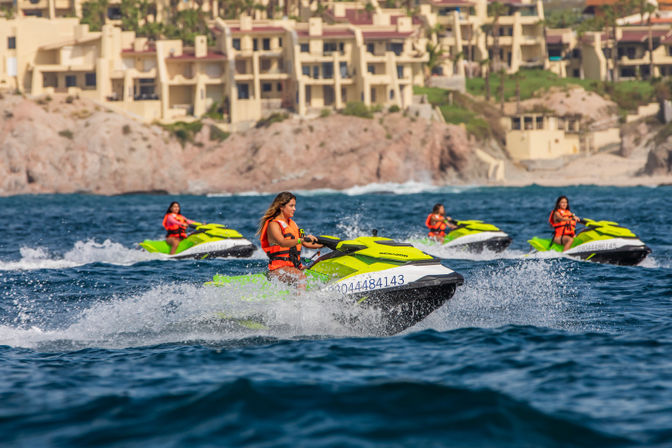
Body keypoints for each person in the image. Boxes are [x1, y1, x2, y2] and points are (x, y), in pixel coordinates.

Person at [257, 192, 323, 285]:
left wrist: (325, 244)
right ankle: (301, 299)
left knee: (321, 262)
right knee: (300, 276)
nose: (294, 209)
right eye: (291, 206)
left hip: (295, 267)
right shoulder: (273, 224)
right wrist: (302, 239)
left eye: (294, 206)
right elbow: (283, 242)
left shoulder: (294, 224)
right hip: (278, 269)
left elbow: (306, 243)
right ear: (281, 207)